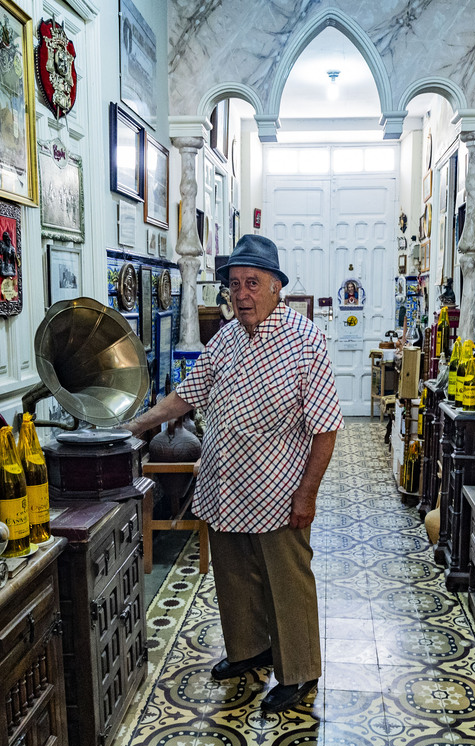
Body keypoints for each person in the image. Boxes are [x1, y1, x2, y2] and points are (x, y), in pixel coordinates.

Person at [124, 233, 343, 713]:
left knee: (287, 582)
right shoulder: (225, 338)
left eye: (252, 283)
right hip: (225, 487)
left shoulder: (307, 342)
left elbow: (326, 429)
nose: (241, 294)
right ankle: (249, 650)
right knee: (234, 576)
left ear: (276, 287)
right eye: (234, 285)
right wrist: (136, 424)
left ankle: (300, 671)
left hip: (279, 492)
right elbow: (188, 394)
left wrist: (307, 494)